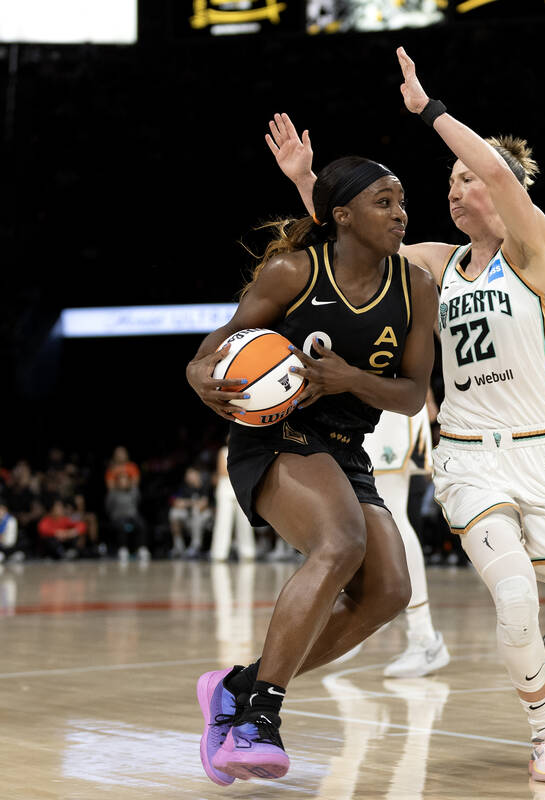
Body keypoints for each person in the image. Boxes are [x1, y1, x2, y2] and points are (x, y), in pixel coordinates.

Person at [265, 47, 545, 781]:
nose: (455, 189)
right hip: (468, 454)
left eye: (468, 179)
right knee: (516, 593)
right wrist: (308, 183)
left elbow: (495, 169)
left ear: (506, 190)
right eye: (452, 181)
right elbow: (353, 247)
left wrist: (429, 110)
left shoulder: (534, 252)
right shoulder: (433, 262)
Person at [184, 151, 437, 784]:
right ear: (343, 216)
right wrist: (196, 374)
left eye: (402, 201)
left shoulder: (416, 288)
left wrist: (349, 379)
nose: (401, 214)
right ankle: (256, 719)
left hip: (347, 444)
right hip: (277, 432)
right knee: (340, 542)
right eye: (385, 202)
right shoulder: (292, 272)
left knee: (388, 592)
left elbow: (411, 393)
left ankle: (237, 686)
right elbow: (218, 345)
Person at [364, 399, 450, 678]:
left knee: (391, 517)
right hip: (366, 404)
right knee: (366, 517)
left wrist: (425, 395)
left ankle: (424, 636)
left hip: (389, 406)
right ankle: (367, 613)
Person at [168, 467, 213, 558]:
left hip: (206, 517)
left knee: (196, 511)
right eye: (187, 475)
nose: (188, 477)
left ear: (197, 475)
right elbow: (177, 502)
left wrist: (187, 503)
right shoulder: (185, 487)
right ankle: (179, 547)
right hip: (189, 516)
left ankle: (195, 546)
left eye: (191, 474)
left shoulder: (205, 486)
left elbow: (203, 505)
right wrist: (193, 503)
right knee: (174, 513)